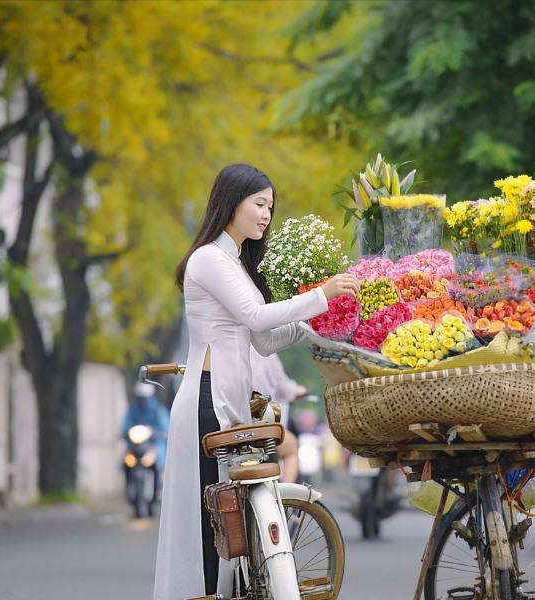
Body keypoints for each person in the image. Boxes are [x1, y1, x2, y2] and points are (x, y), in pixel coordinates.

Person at [153, 163, 359, 600]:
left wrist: (318, 323)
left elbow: (264, 339)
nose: (266, 214)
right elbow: (256, 316)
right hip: (205, 402)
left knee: (231, 523)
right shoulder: (209, 258)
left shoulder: (236, 263)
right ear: (231, 204)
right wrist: (322, 295)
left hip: (229, 400)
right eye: (259, 204)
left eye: (270, 206)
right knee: (210, 525)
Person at [249, 348, 306, 484]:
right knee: (291, 447)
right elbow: (285, 389)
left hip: (229, 421)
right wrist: (300, 390)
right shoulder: (262, 350)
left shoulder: (220, 346)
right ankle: (285, 497)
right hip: (258, 422)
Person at [122, 381, 170, 503]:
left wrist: (160, 432)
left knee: (158, 455)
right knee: (126, 458)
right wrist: (123, 433)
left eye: (145, 398)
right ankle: (128, 487)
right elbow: (126, 425)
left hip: (153, 443)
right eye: (141, 398)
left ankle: (158, 487)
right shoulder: (133, 410)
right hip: (137, 445)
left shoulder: (158, 410)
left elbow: (165, 427)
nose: (143, 401)